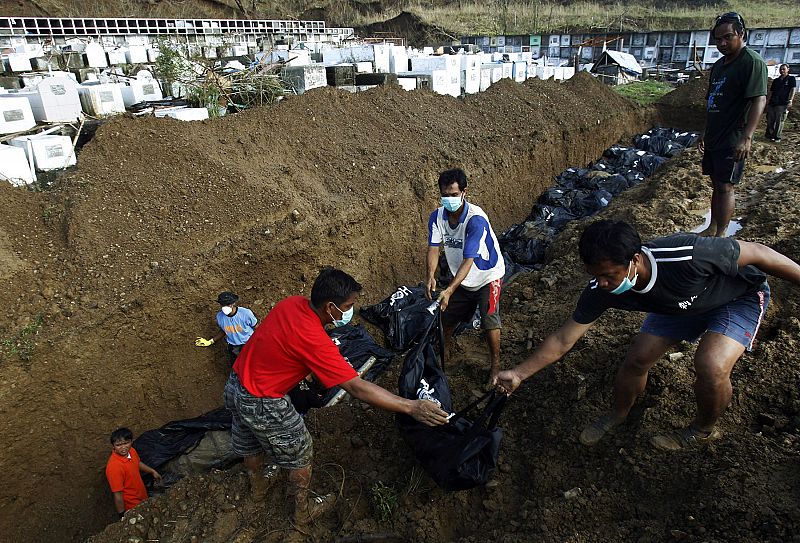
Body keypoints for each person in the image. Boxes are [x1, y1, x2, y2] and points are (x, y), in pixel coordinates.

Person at [495, 220, 800, 451]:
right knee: (637, 360)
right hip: (678, 307)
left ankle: (703, 429)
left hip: (737, 297)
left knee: (710, 365)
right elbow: (564, 339)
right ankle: (618, 413)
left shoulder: (687, 256)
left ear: (635, 260)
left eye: (608, 275)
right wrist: (519, 373)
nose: (601, 283)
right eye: (595, 276)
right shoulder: (601, 291)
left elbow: (759, 253)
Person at [224, 268, 448, 537]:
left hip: (236, 383)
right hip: (262, 400)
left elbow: (280, 341)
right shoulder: (315, 340)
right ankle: (302, 514)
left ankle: (258, 487)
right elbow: (357, 387)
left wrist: (306, 373)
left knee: (249, 440)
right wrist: (411, 406)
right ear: (330, 307)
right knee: (301, 452)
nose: (350, 311)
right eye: (348, 306)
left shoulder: (290, 304)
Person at [425, 168, 505, 386]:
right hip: (461, 277)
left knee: (489, 320)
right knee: (447, 317)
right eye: (445, 195)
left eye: (453, 194)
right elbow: (433, 248)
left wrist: (449, 289)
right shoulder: (437, 217)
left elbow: (468, 260)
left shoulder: (475, 220)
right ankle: (446, 350)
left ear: (464, 192)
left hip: (487, 276)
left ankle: (495, 366)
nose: (449, 199)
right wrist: (430, 275)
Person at [698, 12, 767, 237]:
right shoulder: (719, 66)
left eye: (728, 37)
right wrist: (704, 132)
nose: (722, 43)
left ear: (741, 34)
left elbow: (759, 99)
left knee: (726, 185)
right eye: (718, 39)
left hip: (733, 136)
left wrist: (746, 136)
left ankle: (721, 235)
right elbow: (712, 101)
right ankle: (713, 227)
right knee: (716, 183)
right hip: (715, 136)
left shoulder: (751, 62)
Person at [105, 427, 162, 519]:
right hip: (132, 505)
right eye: (118, 445)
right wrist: (122, 514)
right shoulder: (114, 467)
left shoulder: (131, 451)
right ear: (113, 446)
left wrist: (152, 471)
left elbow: (137, 463)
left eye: (126, 443)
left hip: (142, 495)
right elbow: (118, 494)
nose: (123, 447)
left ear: (132, 441)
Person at [196, 291, 258, 364]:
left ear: (233, 304)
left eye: (227, 304)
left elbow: (257, 327)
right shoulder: (220, 317)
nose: (225, 307)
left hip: (249, 345)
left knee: (250, 366)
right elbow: (224, 330)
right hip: (234, 348)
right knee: (236, 367)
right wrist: (210, 341)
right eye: (223, 304)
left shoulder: (245, 313)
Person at [764, 64, 796, 142]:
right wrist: (767, 101)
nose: (781, 71)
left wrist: (790, 100)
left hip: (783, 103)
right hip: (773, 102)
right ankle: (769, 135)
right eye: (780, 69)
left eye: (783, 69)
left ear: (788, 69)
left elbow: (793, 90)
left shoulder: (791, 79)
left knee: (779, 120)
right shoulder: (776, 80)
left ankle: (776, 137)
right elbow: (771, 91)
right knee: (770, 119)